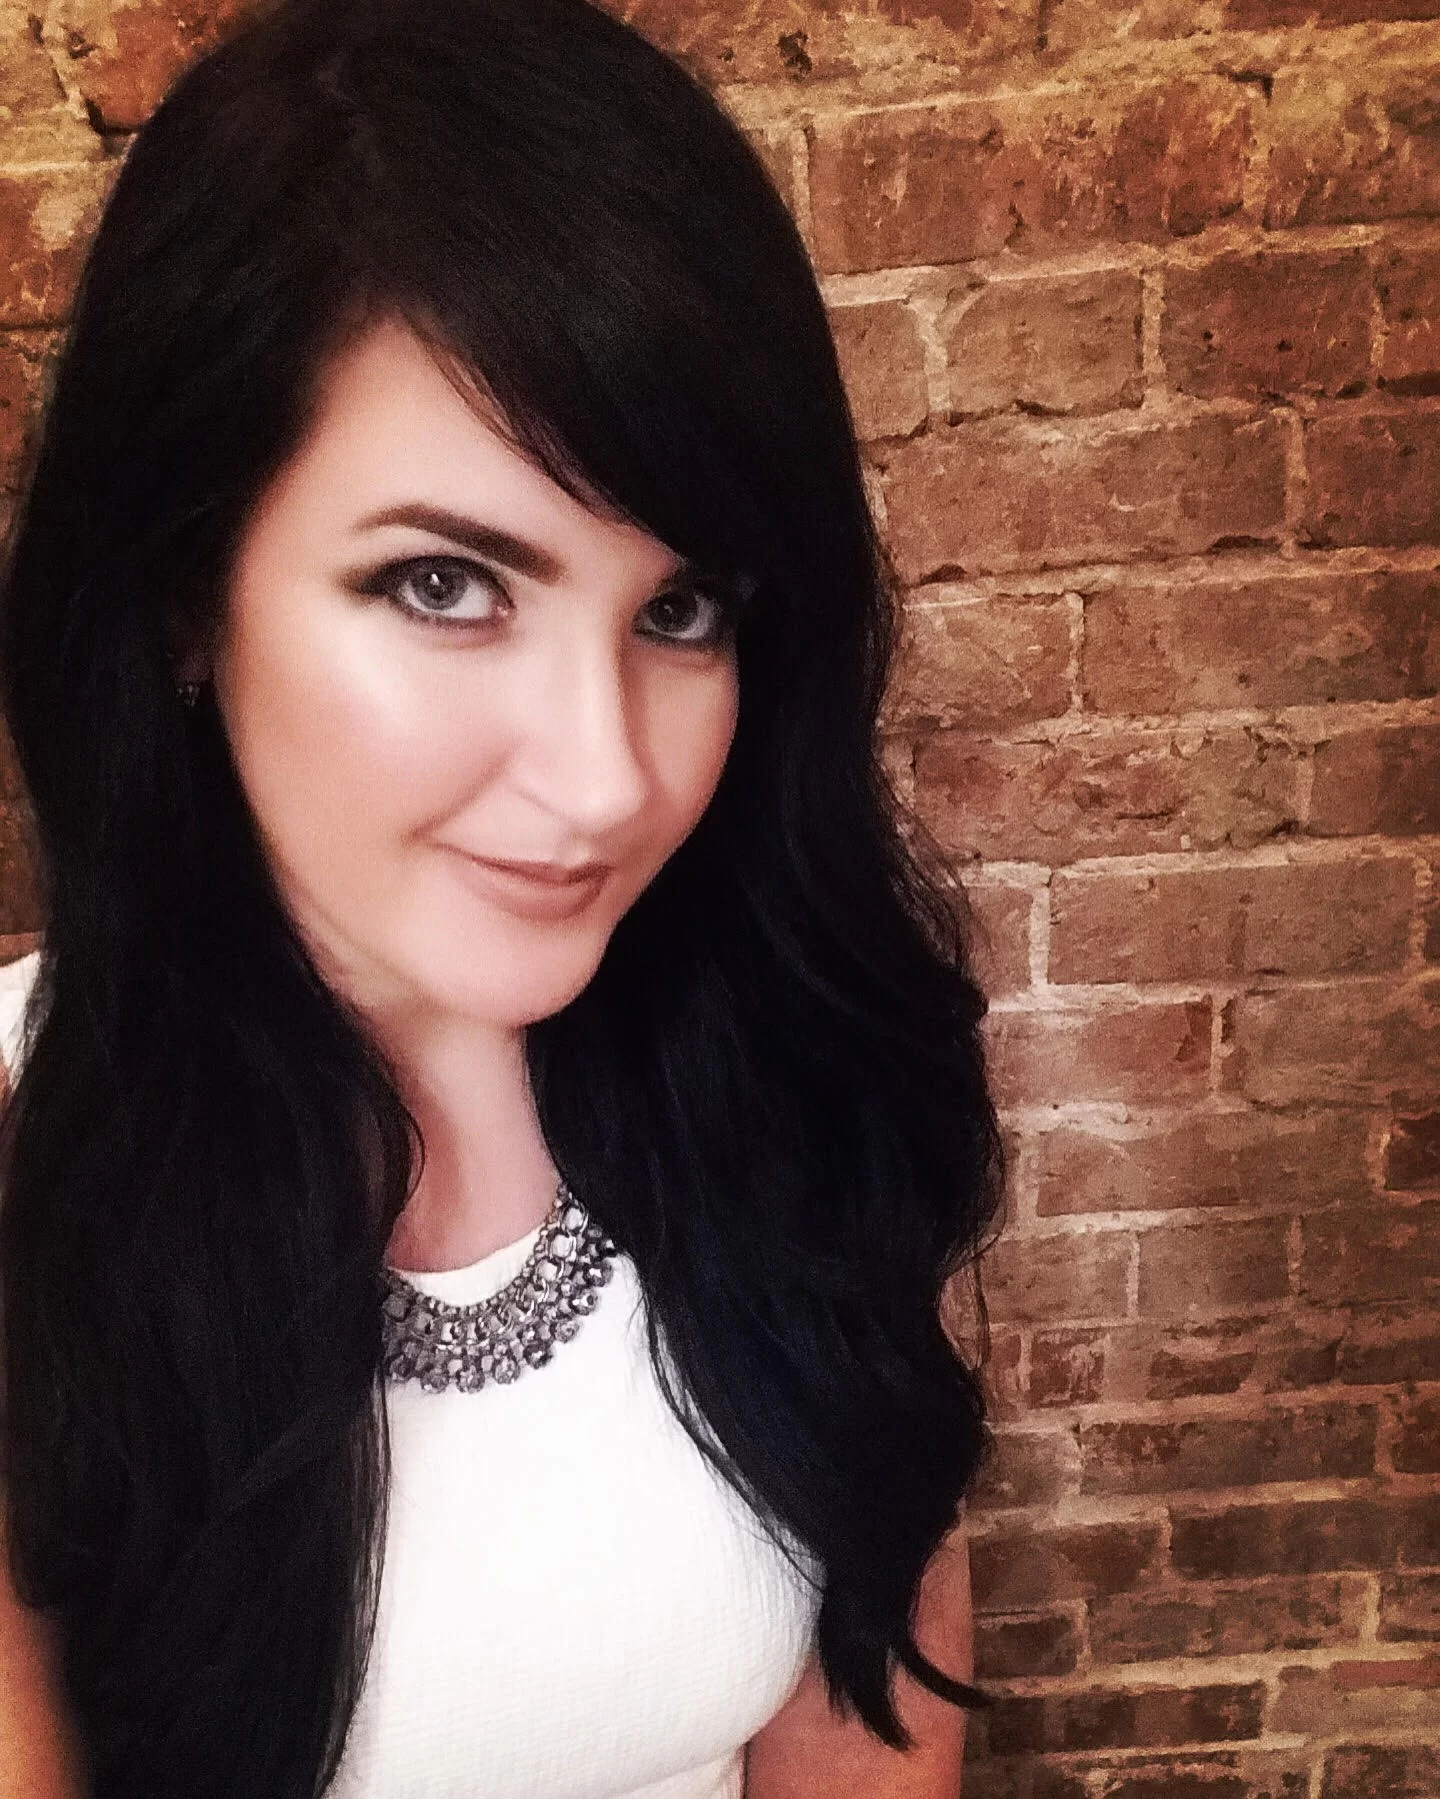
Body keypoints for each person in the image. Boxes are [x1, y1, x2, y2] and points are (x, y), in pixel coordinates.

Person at [0, 0, 1005, 1793]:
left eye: (680, 610)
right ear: (183, 594)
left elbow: (868, 1716)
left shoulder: (785, 1065)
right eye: (447, 584)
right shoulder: (33, 1181)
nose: (609, 777)